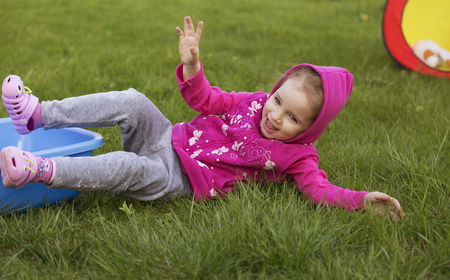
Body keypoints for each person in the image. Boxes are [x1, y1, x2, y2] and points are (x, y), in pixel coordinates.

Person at [0, 17, 404, 221]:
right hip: (168, 138)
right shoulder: (253, 102)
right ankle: (36, 116)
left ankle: (38, 170)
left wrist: (361, 200)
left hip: (181, 179)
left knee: (128, 168)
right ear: (275, 89)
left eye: (294, 117)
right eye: (278, 100)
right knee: (134, 100)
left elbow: (321, 191)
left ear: (310, 129)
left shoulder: (298, 158)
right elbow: (206, 100)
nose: (276, 115)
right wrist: (192, 66)